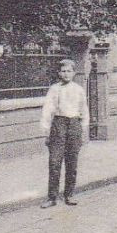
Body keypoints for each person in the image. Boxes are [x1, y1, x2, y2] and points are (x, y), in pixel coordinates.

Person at [38, 57, 89, 207]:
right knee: (54, 162)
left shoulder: (78, 89)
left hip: (74, 125)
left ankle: (69, 195)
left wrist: (83, 129)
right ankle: (52, 197)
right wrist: (46, 130)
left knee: (72, 162)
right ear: (59, 73)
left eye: (69, 71)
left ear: (73, 73)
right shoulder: (55, 89)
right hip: (58, 124)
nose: (66, 74)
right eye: (63, 71)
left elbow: (84, 110)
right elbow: (47, 109)